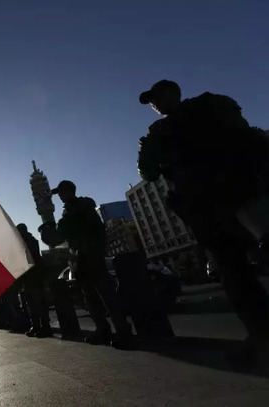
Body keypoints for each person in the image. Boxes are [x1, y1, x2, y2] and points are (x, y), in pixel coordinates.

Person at [138, 79, 269, 360]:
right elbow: (246, 132)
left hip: (211, 204)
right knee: (239, 267)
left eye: (157, 98)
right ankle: (261, 334)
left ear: (172, 94)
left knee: (235, 271)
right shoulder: (214, 104)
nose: (155, 105)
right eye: (153, 102)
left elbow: (147, 172)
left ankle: (261, 334)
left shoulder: (161, 130)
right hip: (243, 192)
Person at [40, 180, 132, 348]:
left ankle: (122, 331)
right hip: (83, 258)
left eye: (61, 192)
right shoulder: (76, 208)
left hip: (90, 256)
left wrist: (48, 229)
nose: (59, 196)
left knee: (105, 296)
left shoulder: (78, 208)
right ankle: (104, 329)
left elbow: (62, 234)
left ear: (68, 191)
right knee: (91, 297)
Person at [16, 224, 52, 338]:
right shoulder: (26, 241)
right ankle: (36, 326)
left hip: (34, 277)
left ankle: (44, 327)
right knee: (31, 305)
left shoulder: (29, 241)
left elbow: (29, 258)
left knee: (38, 304)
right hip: (29, 278)